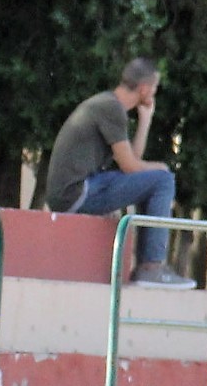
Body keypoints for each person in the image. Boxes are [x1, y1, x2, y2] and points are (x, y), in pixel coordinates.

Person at [43, 59, 195, 289]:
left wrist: (145, 119)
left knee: (155, 180)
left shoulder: (108, 104)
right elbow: (130, 167)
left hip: (73, 192)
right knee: (163, 180)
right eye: (154, 87)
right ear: (144, 88)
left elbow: (133, 162)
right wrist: (161, 168)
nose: (154, 93)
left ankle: (148, 267)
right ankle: (151, 266)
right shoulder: (111, 108)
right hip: (75, 194)